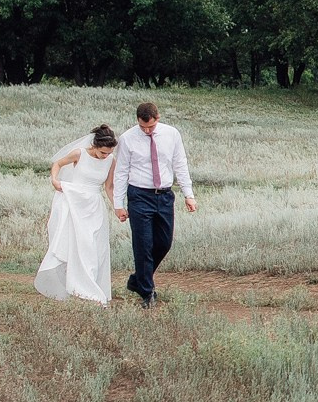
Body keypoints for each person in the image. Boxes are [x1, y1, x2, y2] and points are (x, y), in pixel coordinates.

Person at [109, 100, 196, 307]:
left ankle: (137, 280)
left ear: (158, 118)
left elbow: (180, 164)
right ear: (137, 121)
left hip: (165, 195)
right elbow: (121, 172)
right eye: (143, 126)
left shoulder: (171, 134)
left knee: (164, 243)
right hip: (139, 195)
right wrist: (118, 204)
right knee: (143, 245)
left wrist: (188, 194)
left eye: (151, 126)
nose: (147, 130)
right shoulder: (128, 139)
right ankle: (147, 293)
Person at [33, 125, 120, 304]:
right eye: (102, 152)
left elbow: (109, 187)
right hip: (75, 202)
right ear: (94, 146)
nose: (105, 156)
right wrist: (55, 180)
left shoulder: (111, 160)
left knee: (95, 247)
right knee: (79, 245)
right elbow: (57, 164)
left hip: (94, 206)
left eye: (108, 153)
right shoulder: (79, 154)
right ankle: (79, 287)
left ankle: (91, 286)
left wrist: (118, 207)